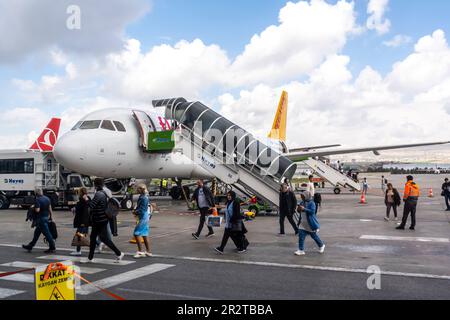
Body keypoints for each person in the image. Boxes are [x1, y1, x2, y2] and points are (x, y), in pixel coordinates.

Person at [87, 178, 124, 263]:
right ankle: (90, 257)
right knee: (93, 238)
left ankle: (119, 253)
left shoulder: (99, 194)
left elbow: (91, 206)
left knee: (103, 238)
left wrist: (86, 200)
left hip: (99, 220)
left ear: (95, 185)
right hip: (100, 219)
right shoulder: (103, 193)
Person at [22, 188, 56, 253]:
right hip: (47, 217)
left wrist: (33, 207)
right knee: (36, 233)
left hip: (41, 219)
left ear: (36, 193)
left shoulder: (37, 200)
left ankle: (52, 247)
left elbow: (37, 210)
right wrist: (51, 217)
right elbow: (50, 209)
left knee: (47, 234)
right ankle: (30, 245)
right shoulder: (47, 198)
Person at [295, 191, 325, 256]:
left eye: (303, 196)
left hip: (310, 224)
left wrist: (304, 209)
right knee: (301, 237)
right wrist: (299, 209)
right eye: (301, 196)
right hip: (302, 223)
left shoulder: (312, 203)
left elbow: (312, 212)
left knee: (314, 236)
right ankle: (301, 250)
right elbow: (299, 211)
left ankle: (321, 245)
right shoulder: (302, 202)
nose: (301, 197)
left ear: (306, 196)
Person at [132, 184, 152, 258]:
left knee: (136, 233)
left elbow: (142, 210)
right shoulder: (143, 197)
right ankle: (148, 251)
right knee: (144, 234)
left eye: (138, 188)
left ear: (141, 189)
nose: (137, 189)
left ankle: (140, 251)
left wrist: (135, 212)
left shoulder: (143, 198)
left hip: (143, 217)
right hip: (145, 216)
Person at [70, 187, 91, 256]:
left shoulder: (83, 200)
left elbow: (82, 208)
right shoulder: (85, 199)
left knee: (79, 235)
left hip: (82, 221)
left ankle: (78, 251)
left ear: (81, 193)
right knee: (84, 235)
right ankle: (97, 243)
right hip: (85, 221)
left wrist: (74, 209)